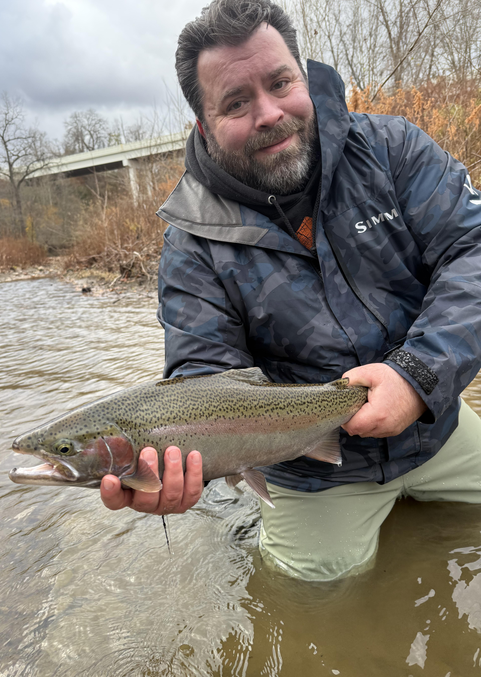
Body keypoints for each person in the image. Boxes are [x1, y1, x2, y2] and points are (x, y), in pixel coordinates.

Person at [101, 0, 481, 581]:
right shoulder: (191, 244)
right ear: (203, 125)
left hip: (437, 423)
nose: (269, 113)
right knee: (309, 602)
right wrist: (179, 468)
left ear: (303, 77)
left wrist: (417, 376)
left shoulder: (392, 151)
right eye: (236, 103)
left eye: (280, 83)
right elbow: (204, 377)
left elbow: (472, 249)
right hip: (313, 474)